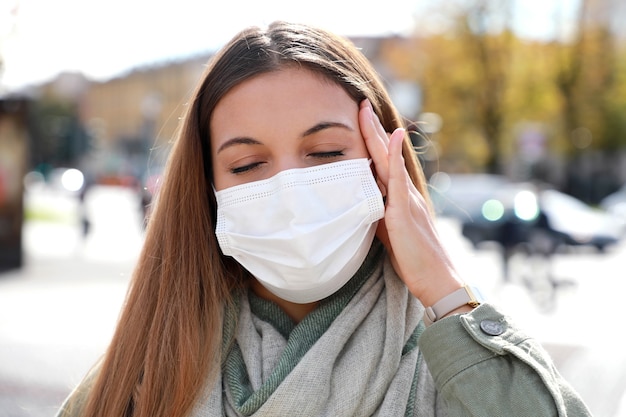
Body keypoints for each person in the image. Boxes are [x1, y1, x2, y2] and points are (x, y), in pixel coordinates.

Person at [56, 21, 592, 417]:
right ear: (209, 189)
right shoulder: (148, 364)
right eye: (247, 164)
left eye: (325, 153)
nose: (290, 190)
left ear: (382, 163)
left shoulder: (457, 362)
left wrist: (447, 292)